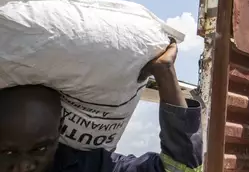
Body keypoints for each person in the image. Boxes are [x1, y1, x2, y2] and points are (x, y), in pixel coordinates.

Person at [0, 40, 203, 172]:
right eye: (8, 153)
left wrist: (165, 73)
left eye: (40, 149)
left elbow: (180, 169)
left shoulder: (88, 167)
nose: (23, 167)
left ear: (60, 128)